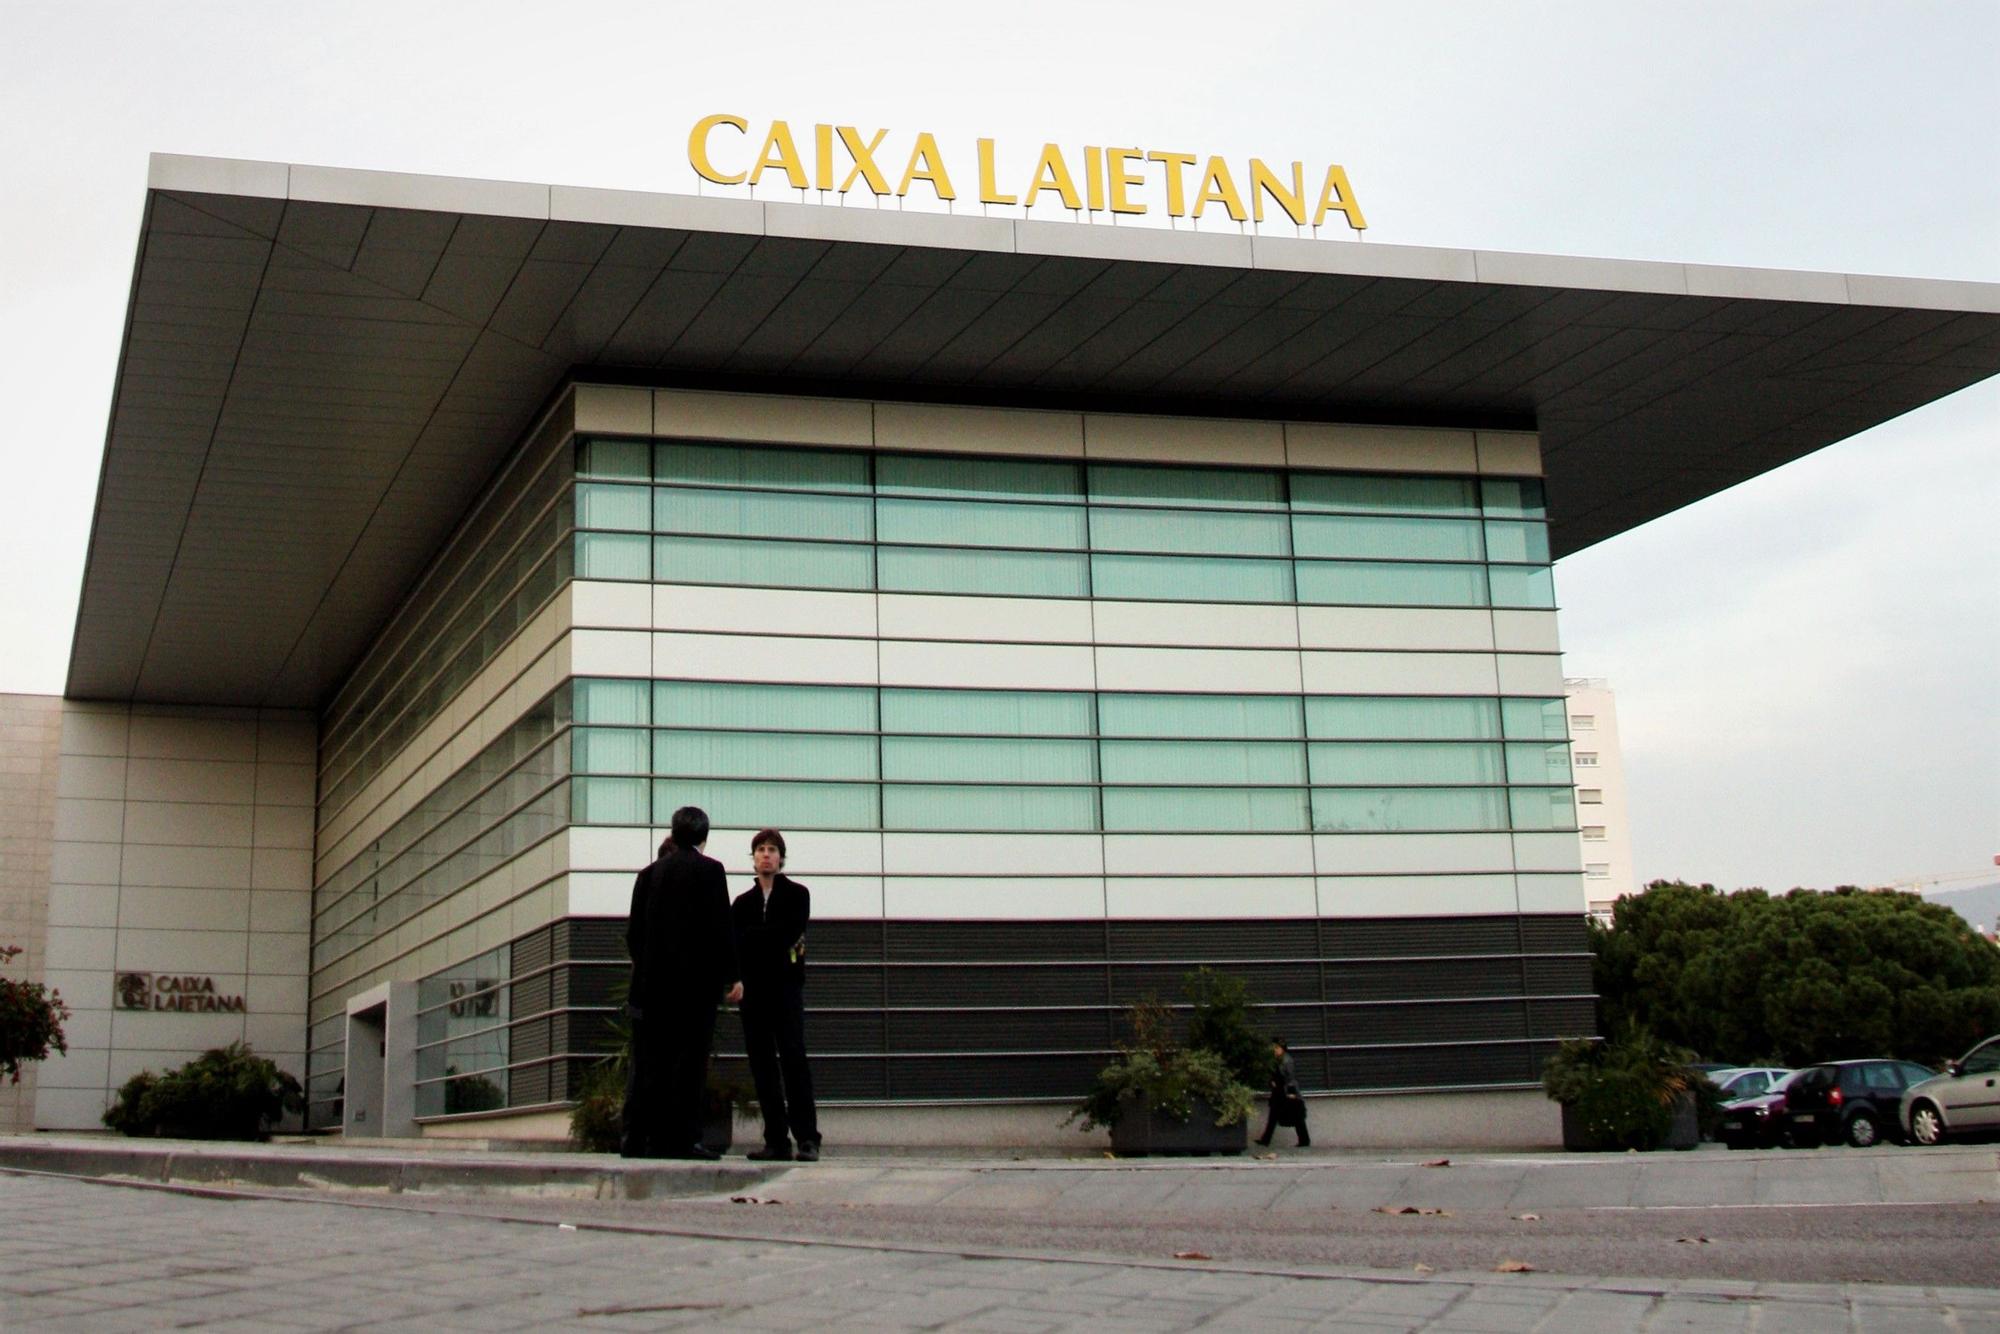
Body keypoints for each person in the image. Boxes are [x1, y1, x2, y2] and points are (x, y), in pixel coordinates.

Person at [623, 806, 742, 1160]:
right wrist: (732, 975)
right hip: (696, 988)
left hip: (653, 987)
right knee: (689, 1064)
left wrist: (646, 968)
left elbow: (634, 934)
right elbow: (721, 928)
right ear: (704, 837)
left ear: (673, 834)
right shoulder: (711, 871)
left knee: (651, 1063)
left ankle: (641, 1139)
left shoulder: (648, 875)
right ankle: (685, 1139)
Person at [730, 828, 820, 1162]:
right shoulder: (741, 903)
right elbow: (735, 944)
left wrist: (756, 939)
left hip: (785, 990)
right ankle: (776, 1140)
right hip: (753, 994)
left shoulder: (798, 895)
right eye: (760, 849)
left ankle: (808, 1138)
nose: (766, 854)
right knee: (762, 1066)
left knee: (794, 1061)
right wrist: (759, 941)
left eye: (772, 849)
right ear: (753, 858)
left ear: (781, 857)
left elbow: (787, 933)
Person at [1254, 1038, 1310, 1148]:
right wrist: (1272, 1082)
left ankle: (1304, 1140)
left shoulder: (1287, 1060)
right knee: (1273, 1115)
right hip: (1278, 1091)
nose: (1275, 1050)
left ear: (1283, 1049)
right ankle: (1266, 1139)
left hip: (1285, 1091)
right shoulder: (1276, 1060)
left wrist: (1291, 1092)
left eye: (1277, 1048)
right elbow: (1273, 1075)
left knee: (1296, 1116)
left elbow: (1291, 1078)